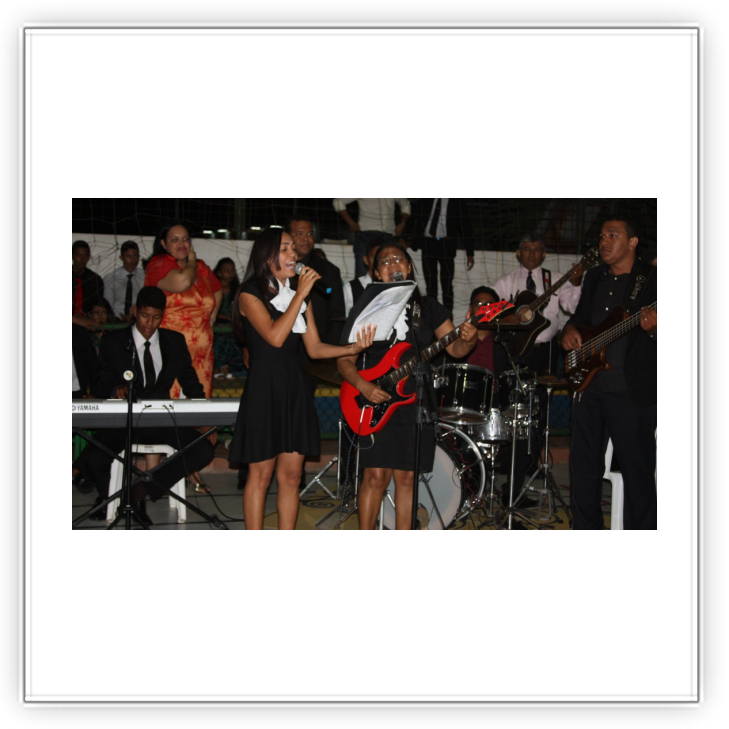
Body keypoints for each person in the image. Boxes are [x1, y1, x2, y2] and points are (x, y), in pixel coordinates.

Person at [228, 227, 375, 530]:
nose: (293, 254)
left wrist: (352, 348)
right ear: (266, 256)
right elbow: (275, 337)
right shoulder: (249, 294)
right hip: (264, 389)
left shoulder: (298, 297)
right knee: (261, 475)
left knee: (292, 476)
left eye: (293, 248)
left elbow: (315, 348)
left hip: (294, 388)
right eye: (284, 248)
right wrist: (300, 295)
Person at [337, 244, 478, 530]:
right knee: (375, 476)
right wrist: (363, 386)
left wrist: (470, 337)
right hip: (375, 400)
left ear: (409, 266)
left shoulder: (428, 307)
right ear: (376, 273)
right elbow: (344, 361)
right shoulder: (365, 307)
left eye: (398, 259)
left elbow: (457, 350)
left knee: (407, 478)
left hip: (415, 402)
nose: (393, 264)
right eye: (385, 261)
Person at [74, 287, 215, 524]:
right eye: (144, 316)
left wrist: (205, 416)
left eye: (156, 317)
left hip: (161, 419)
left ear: (163, 315)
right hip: (124, 419)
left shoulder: (173, 341)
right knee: (94, 458)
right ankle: (109, 496)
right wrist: (114, 389)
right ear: (134, 311)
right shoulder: (114, 342)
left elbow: (190, 381)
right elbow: (100, 382)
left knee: (202, 451)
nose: (149, 323)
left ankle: (135, 495)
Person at [562, 218, 657, 529]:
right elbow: (580, 317)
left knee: (637, 472)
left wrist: (654, 331)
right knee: (584, 469)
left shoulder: (653, 279)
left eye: (612, 235)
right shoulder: (593, 276)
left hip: (631, 391)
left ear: (632, 242)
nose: (603, 241)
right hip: (589, 387)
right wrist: (569, 330)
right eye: (602, 236)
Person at [491, 232, 583, 505]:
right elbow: (489, 310)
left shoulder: (556, 279)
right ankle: (509, 467)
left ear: (543, 254)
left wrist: (577, 282)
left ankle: (530, 467)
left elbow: (573, 307)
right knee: (513, 412)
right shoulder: (506, 282)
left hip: (546, 353)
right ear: (518, 253)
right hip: (514, 353)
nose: (531, 254)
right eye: (527, 249)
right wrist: (507, 315)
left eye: (537, 250)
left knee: (539, 412)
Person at [144, 222, 222, 398]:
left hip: (202, 352)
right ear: (163, 243)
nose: (182, 244)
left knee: (198, 402)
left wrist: (211, 318)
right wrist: (192, 261)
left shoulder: (201, 268)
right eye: (175, 240)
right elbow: (183, 282)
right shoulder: (159, 264)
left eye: (185, 239)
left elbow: (217, 290)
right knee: (170, 404)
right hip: (170, 350)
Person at [410, 198, 475, 317]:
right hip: (428, 244)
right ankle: (431, 316)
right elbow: (415, 217)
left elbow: (465, 225)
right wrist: (406, 239)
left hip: (447, 245)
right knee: (430, 285)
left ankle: (447, 317)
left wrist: (469, 252)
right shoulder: (426, 198)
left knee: (447, 285)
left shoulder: (456, 201)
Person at [333, 198, 411, 278]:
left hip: (389, 235)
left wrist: (402, 224)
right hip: (366, 234)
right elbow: (338, 202)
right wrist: (351, 223)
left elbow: (406, 204)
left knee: (388, 272)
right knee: (363, 271)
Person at [212, 257, 246, 378]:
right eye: (226, 270)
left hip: (232, 325)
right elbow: (210, 311)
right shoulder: (213, 289)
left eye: (232, 270)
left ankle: (229, 369)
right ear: (219, 272)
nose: (230, 273)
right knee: (222, 338)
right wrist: (227, 318)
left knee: (236, 338)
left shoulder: (236, 290)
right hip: (215, 324)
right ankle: (219, 367)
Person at [102, 240, 145, 322]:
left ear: (139, 257)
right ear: (121, 257)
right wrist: (121, 317)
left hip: (139, 318)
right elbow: (108, 305)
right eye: (129, 256)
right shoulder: (111, 278)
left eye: (136, 256)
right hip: (115, 319)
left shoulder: (144, 276)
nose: (133, 260)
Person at [343, 236, 382, 317]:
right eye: (374, 257)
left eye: (383, 258)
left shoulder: (394, 285)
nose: (378, 261)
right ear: (366, 260)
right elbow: (344, 318)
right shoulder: (350, 288)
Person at [72, 240, 104, 317]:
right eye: (78, 255)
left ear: (89, 257)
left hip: (88, 320)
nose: (82, 259)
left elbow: (98, 304)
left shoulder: (95, 280)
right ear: (72, 256)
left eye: (85, 256)